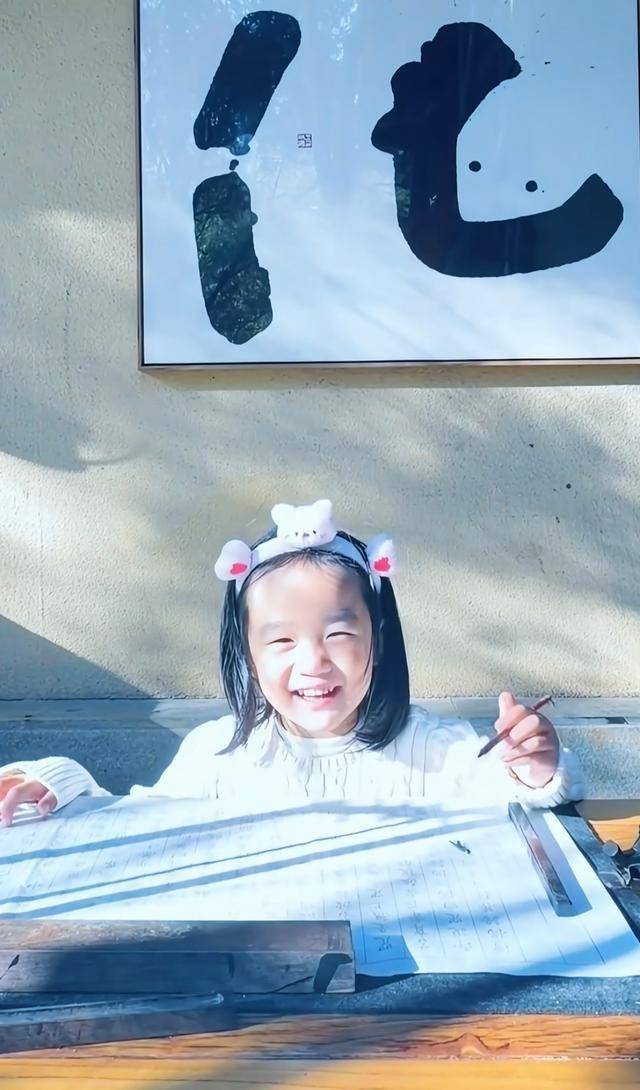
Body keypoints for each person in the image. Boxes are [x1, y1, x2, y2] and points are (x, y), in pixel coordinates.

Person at [0, 499, 583, 827]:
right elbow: (141, 823)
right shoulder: (217, 754)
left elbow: (520, 791)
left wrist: (534, 765)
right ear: (247, 653)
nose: (313, 663)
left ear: (378, 638)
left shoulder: (432, 747)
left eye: (338, 633)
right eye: (281, 641)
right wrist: (59, 781)